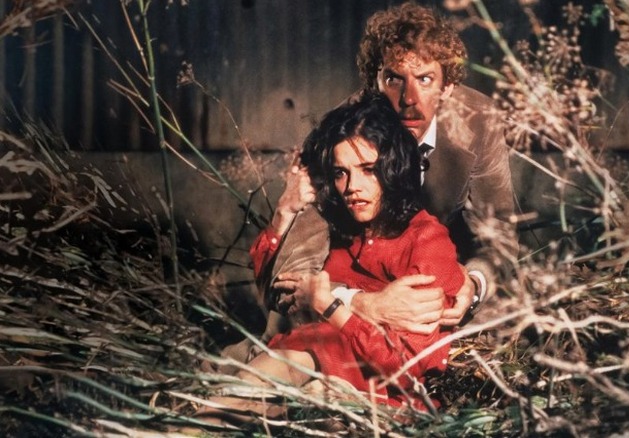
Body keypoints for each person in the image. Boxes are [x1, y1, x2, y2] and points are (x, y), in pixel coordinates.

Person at [198, 92, 464, 423]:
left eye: (368, 170)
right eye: (341, 173)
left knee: (285, 373)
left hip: (382, 396)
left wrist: (331, 307)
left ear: (394, 169)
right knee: (234, 393)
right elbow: (275, 292)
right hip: (304, 363)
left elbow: (406, 369)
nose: (352, 187)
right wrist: (284, 211)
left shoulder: (427, 241)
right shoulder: (339, 226)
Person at [263, 2, 519, 337]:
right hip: (349, 297)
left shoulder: (479, 120)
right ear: (375, 82)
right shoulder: (337, 135)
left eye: (425, 79)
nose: (409, 99)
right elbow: (290, 278)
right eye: (394, 79)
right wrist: (365, 303)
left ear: (447, 87)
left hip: (439, 288)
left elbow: (501, 238)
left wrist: (474, 284)